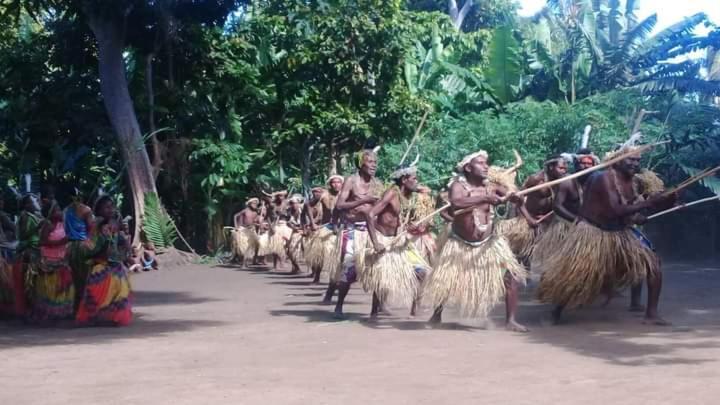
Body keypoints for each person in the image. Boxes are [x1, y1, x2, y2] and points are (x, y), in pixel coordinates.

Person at [537, 147, 676, 325]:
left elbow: (630, 208)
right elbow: (614, 210)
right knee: (577, 275)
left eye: (637, 160)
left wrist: (666, 201)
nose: (635, 164)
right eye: (631, 160)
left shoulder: (633, 181)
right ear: (617, 161)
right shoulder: (602, 178)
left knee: (653, 264)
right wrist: (649, 203)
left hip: (620, 232)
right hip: (594, 234)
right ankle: (556, 311)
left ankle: (651, 313)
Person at [423, 151, 529, 332]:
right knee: (445, 280)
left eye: (486, 163)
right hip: (459, 244)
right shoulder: (458, 186)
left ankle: (510, 320)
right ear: (468, 168)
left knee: (510, 276)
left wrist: (516, 198)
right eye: (480, 163)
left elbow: (514, 196)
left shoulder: (492, 187)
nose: (486, 166)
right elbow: (456, 202)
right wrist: (485, 198)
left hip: (489, 244)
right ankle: (436, 315)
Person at [364, 164, 430, 319]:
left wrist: (411, 226)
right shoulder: (392, 193)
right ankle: (375, 311)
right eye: (414, 178)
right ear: (404, 179)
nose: (417, 181)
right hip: (383, 239)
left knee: (421, 271)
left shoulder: (409, 197)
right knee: (383, 276)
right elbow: (370, 214)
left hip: (399, 239)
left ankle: (415, 309)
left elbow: (401, 219)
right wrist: (375, 242)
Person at [328, 148, 382, 319]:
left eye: (375, 162)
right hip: (352, 230)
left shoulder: (378, 184)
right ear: (361, 163)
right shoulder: (351, 181)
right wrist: (364, 200)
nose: (374, 165)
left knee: (378, 268)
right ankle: (339, 305)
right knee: (348, 268)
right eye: (370, 162)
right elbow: (340, 205)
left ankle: (375, 310)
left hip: (372, 230)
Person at [531, 152, 598, 272]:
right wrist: (577, 221)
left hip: (586, 230)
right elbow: (557, 206)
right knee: (555, 266)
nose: (587, 166)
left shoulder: (595, 183)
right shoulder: (568, 182)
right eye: (583, 163)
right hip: (564, 228)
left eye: (590, 164)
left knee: (579, 266)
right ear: (577, 165)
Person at [496, 156, 567, 262]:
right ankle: (513, 276)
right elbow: (518, 199)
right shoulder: (536, 179)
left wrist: (550, 217)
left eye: (565, 168)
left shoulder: (563, 181)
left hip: (547, 222)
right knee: (522, 255)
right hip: (529, 221)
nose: (564, 171)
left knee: (545, 258)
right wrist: (528, 218)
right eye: (561, 168)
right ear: (551, 167)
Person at [76, 196, 132, 326]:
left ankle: (115, 317)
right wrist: (106, 233)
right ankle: (95, 318)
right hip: (101, 266)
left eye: (112, 206)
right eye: (107, 207)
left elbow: (123, 246)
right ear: (99, 210)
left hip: (116, 266)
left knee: (121, 292)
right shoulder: (96, 225)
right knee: (98, 296)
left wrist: (122, 233)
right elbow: (91, 247)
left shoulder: (115, 225)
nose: (111, 210)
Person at [31, 202, 74, 323]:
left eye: (60, 209)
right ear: (50, 213)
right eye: (57, 210)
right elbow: (42, 242)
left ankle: (61, 313)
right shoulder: (48, 225)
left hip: (61, 261)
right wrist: (61, 242)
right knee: (51, 288)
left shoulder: (62, 224)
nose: (60, 212)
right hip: (49, 262)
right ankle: (49, 313)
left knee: (62, 287)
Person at [11, 194, 43, 317]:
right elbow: (24, 235)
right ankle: (30, 310)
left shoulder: (34, 215)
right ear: (26, 205)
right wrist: (37, 227)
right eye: (33, 202)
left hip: (36, 248)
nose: (36, 203)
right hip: (30, 251)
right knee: (30, 282)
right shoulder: (25, 216)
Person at [64, 188, 95, 310]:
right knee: (86, 277)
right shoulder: (86, 209)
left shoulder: (65, 210)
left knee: (75, 278)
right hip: (83, 246)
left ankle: (76, 308)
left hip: (69, 247)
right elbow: (91, 227)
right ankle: (85, 308)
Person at [232, 198, 261, 267]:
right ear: (249, 204)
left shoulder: (256, 213)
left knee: (257, 244)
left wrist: (258, 224)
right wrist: (236, 226)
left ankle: (254, 260)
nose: (255, 205)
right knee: (245, 246)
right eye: (253, 203)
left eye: (256, 204)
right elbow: (235, 216)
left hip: (251, 230)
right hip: (243, 229)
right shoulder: (245, 211)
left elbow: (254, 222)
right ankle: (243, 263)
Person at [285, 194, 305, 274]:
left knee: (306, 250)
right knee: (289, 250)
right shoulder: (289, 211)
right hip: (295, 232)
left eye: (295, 203)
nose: (294, 205)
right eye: (292, 203)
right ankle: (296, 267)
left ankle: (314, 271)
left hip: (304, 232)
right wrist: (293, 227)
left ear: (299, 203)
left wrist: (303, 229)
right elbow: (288, 223)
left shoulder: (303, 210)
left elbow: (307, 221)